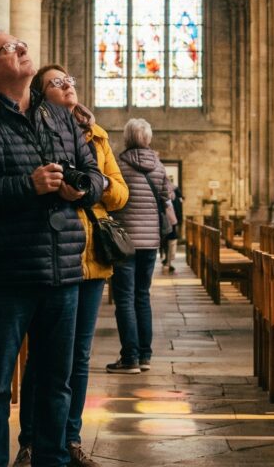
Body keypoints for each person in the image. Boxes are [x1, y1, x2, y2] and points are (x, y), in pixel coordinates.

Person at [0, 31, 104, 467]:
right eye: (7, 48)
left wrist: (82, 190)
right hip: (6, 276)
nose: (20, 48)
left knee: (57, 381)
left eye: (21, 44)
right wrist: (28, 185)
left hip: (63, 274)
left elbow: (95, 175)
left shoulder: (60, 118)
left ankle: (51, 460)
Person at [16, 64, 129, 467]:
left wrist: (85, 191)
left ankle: (70, 438)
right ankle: (31, 440)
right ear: (40, 93)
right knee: (44, 354)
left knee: (78, 355)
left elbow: (119, 191)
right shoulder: (33, 129)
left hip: (92, 258)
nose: (68, 87)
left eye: (71, 82)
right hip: (51, 255)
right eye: (57, 83)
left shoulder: (96, 136)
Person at [106, 118, 173, 374]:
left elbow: (112, 198)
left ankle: (130, 358)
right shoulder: (158, 166)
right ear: (148, 138)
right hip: (151, 241)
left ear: (126, 138)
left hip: (125, 241)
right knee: (142, 296)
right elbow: (166, 197)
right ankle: (145, 355)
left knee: (124, 299)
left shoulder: (120, 164)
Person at [161, 182, 184, 273]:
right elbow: (179, 209)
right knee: (171, 241)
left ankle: (167, 260)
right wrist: (179, 221)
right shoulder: (175, 193)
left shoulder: (166, 192)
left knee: (167, 241)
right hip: (172, 221)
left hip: (165, 221)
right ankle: (168, 260)